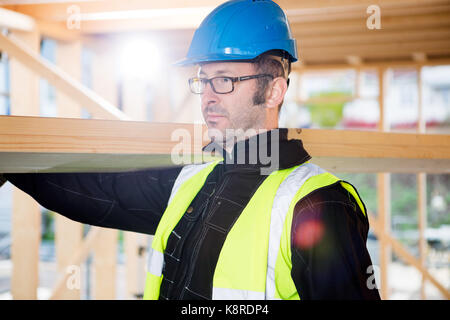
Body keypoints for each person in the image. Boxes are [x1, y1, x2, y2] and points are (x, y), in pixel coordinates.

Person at [0, 0, 380, 300]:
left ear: (274, 90)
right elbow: (98, 194)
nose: (209, 97)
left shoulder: (317, 203)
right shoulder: (193, 179)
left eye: (226, 80)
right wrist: (10, 160)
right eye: (203, 81)